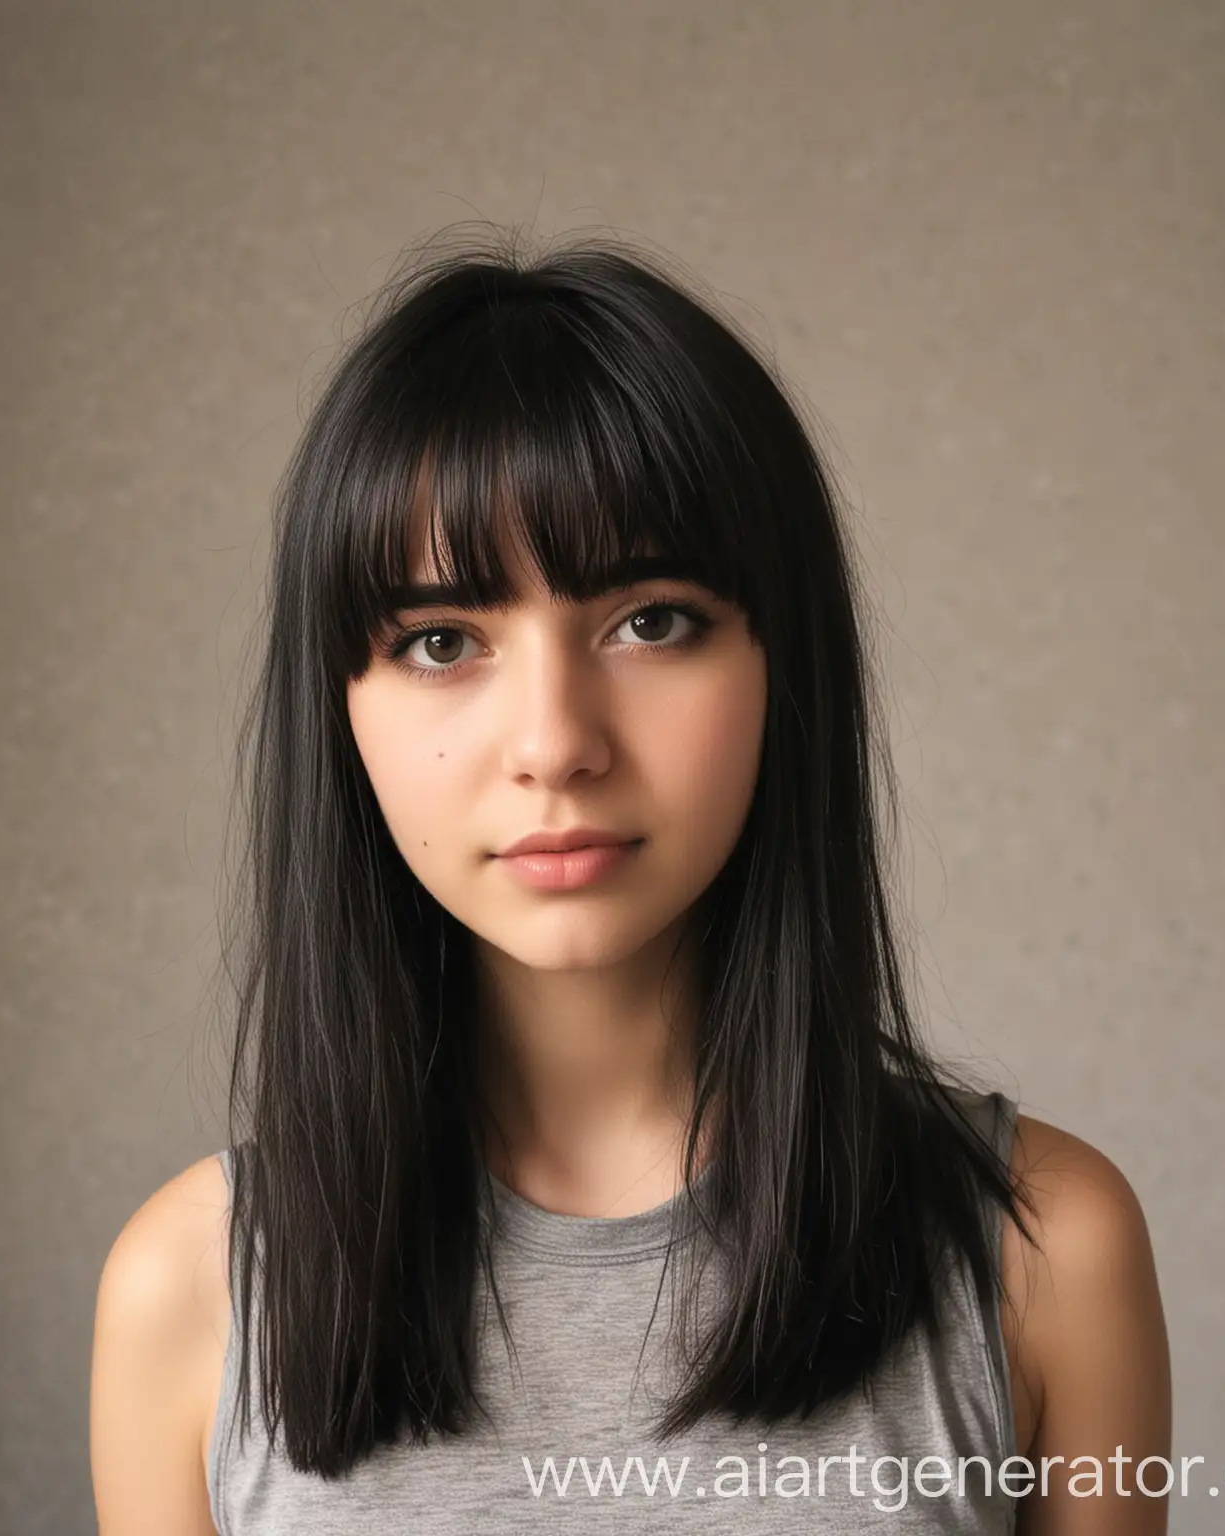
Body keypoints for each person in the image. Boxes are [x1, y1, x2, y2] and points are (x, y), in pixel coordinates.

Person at [90, 229, 1170, 1534]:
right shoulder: (188, 1288)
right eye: (442, 641)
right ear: (342, 713)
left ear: (787, 666)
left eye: (650, 621)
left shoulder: (1046, 1251)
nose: (555, 742)